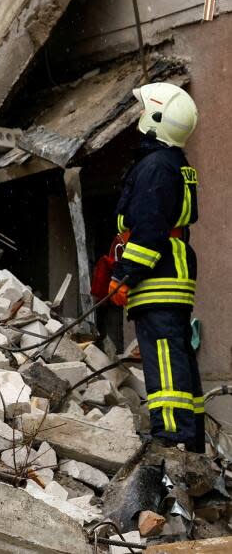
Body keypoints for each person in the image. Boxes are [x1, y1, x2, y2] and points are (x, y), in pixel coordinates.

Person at [108, 83, 202, 452]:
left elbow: (148, 231)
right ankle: (189, 436)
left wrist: (124, 274)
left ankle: (173, 433)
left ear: (157, 118)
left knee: (163, 352)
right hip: (173, 274)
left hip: (158, 278)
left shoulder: (154, 167)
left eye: (146, 109)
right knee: (177, 353)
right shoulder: (173, 163)